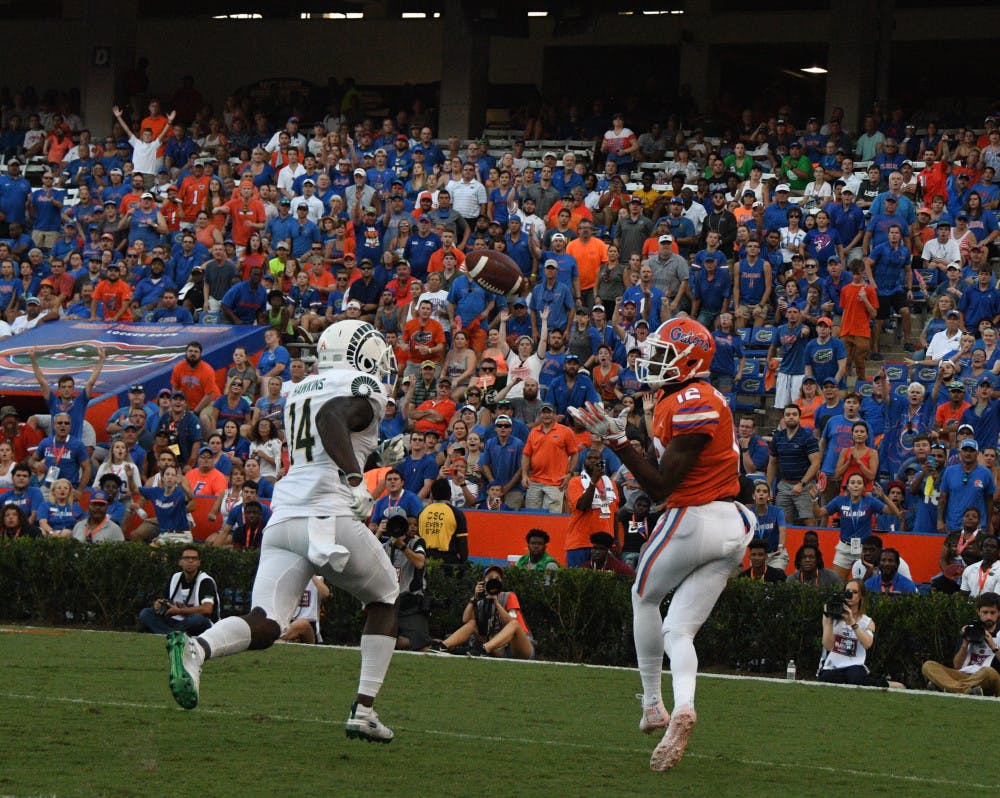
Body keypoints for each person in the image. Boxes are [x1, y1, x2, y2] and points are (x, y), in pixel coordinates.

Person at [164, 320, 401, 744]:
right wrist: (354, 477)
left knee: (267, 623)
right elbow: (333, 418)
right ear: (363, 354)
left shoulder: (302, 387)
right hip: (328, 516)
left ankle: (197, 649)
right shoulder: (363, 385)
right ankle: (364, 709)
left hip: (285, 515)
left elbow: (326, 424)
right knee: (385, 596)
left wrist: (365, 459)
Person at [569, 316, 754, 772]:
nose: (651, 360)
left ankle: (653, 702)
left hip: (695, 517)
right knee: (679, 630)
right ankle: (684, 706)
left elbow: (660, 485)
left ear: (689, 360)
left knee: (642, 596)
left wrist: (616, 441)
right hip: (729, 528)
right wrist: (627, 437)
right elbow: (665, 463)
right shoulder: (685, 398)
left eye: (662, 353)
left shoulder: (694, 398)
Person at [432, 565, 534, 659]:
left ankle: (483, 650)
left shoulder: (509, 596)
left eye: (497, 579)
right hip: (499, 649)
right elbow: (465, 620)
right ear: (483, 582)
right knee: (473, 623)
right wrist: (474, 598)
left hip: (520, 647)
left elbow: (512, 623)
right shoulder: (481, 602)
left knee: (514, 624)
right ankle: (443, 646)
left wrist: (496, 603)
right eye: (490, 578)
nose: (494, 580)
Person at [922, 591, 1000, 696]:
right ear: (978, 612)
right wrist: (964, 644)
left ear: (998, 613)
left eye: (992, 613)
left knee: (988, 672)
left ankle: (946, 687)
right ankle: (966, 690)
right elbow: (957, 666)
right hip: (966, 676)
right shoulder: (970, 630)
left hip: (990, 679)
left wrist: (993, 646)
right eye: (985, 612)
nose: (989, 617)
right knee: (928, 665)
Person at [818, 579, 893, 687]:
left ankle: (887, 684)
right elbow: (828, 646)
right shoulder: (832, 616)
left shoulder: (867, 622)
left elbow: (867, 644)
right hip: (833, 665)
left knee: (855, 679)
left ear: (861, 596)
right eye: (847, 592)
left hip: (854, 665)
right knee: (828, 678)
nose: (850, 595)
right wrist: (829, 619)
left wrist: (853, 623)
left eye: (854, 592)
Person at [139, 547, 220, 635]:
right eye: (186, 558)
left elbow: (207, 609)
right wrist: (159, 604)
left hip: (200, 622)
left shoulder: (205, 581)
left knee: (197, 619)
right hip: (177, 621)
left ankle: (168, 633)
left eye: (194, 558)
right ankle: (171, 634)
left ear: (199, 563)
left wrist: (179, 611)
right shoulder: (175, 577)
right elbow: (167, 601)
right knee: (146, 613)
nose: (190, 561)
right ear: (180, 562)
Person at [30, 346, 105, 440]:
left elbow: (91, 383)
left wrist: (101, 359)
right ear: (59, 389)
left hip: (74, 448)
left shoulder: (80, 402)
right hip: (56, 448)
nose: (67, 389)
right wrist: (33, 360)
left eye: (69, 387)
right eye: (64, 387)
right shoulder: (53, 402)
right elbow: (42, 382)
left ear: (73, 389)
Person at [382, 513, 430, 651]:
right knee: (381, 640)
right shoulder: (386, 546)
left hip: (411, 601)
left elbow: (420, 563)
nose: (410, 527)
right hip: (390, 602)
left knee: (422, 645)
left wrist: (402, 546)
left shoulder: (417, 543)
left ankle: (431, 642)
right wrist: (379, 532)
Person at [564, 449, 619, 566]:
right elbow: (582, 506)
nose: (593, 461)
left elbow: (614, 513)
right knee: (577, 582)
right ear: (584, 462)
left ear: (602, 462)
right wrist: (593, 481)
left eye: (597, 458)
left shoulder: (611, 484)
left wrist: (616, 542)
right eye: (589, 458)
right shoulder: (575, 482)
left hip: (604, 545)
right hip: (580, 543)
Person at [521, 401, 578, 514]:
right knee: (531, 517)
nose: (546, 415)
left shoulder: (565, 431)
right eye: (543, 413)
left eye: (549, 413)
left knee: (552, 518)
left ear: (555, 415)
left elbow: (574, 453)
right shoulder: (533, 432)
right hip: (534, 481)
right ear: (540, 415)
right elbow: (526, 454)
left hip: (555, 482)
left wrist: (570, 474)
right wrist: (524, 475)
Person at [417, 477, 469, 564]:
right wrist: (462, 563)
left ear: (432, 494)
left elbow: (417, 538)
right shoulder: (456, 513)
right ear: (450, 494)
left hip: (425, 559)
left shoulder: (422, 512)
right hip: (447, 561)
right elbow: (462, 542)